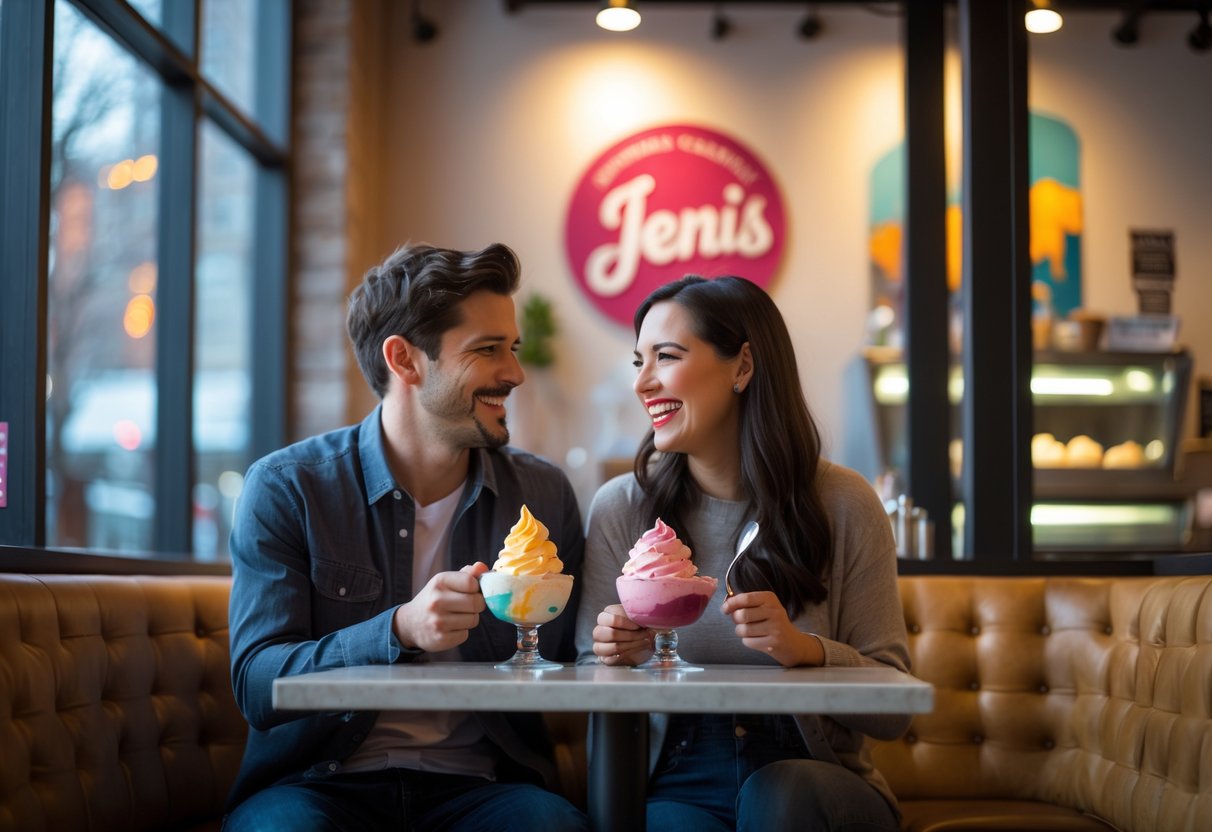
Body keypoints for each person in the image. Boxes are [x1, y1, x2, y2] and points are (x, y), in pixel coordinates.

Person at [225, 243, 588, 831]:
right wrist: (396, 630)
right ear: (406, 360)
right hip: (319, 786)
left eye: (513, 348)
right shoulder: (288, 488)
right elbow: (257, 683)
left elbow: (575, 660)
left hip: (485, 789)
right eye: (487, 349)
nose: (515, 373)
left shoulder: (542, 495)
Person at [574, 275, 911, 832]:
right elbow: (589, 687)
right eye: (639, 362)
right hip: (677, 781)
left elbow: (894, 710)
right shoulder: (621, 509)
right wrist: (613, 658)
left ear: (743, 366)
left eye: (667, 356)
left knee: (780, 797)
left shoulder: (845, 504)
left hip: (811, 777)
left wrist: (807, 651)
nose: (643, 382)